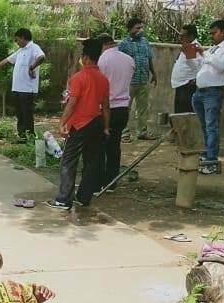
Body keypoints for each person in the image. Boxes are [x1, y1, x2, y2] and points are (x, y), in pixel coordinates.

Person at [46, 38, 110, 211]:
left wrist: (62, 123)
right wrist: (106, 126)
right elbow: (106, 106)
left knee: (68, 161)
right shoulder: (103, 79)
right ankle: (83, 197)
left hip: (81, 124)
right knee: (92, 162)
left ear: (86, 57)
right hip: (96, 122)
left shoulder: (79, 77)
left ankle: (64, 199)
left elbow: (72, 103)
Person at [0, 28, 45, 141]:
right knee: (20, 114)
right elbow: (7, 60)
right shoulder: (20, 51)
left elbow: (42, 57)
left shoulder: (34, 48)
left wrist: (32, 67)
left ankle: (29, 136)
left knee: (27, 114)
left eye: (17, 40)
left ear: (23, 38)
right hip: (17, 88)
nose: (17, 42)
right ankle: (21, 136)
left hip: (27, 89)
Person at [193, 20, 224, 175]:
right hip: (200, 91)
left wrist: (203, 53)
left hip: (213, 92)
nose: (212, 36)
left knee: (212, 125)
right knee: (205, 125)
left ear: (223, 32)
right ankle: (208, 152)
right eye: (211, 33)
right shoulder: (212, 49)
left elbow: (221, 66)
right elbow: (203, 66)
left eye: (214, 33)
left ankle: (212, 158)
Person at [96, 33, 134, 189]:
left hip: (106, 109)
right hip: (123, 108)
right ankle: (112, 181)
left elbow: (99, 87)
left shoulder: (102, 60)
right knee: (114, 145)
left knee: (99, 145)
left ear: (102, 45)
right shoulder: (129, 60)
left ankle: (99, 179)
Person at [118, 18, 158, 142]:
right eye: (137, 28)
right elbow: (120, 63)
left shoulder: (145, 42)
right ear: (130, 29)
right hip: (129, 81)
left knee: (143, 108)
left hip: (143, 79)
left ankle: (142, 132)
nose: (140, 30)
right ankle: (124, 133)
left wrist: (154, 74)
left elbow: (149, 58)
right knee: (126, 108)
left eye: (141, 27)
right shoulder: (124, 44)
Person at [172, 24, 202, 114]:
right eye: (180, 35)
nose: (180, 38)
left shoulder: (193, 47)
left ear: (191, 36)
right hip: (181, 84)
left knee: (183, 113)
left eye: (183, 36)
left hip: (187, 85)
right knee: (179, 112)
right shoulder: (187, 46)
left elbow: (196, 66)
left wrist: (187, 52)